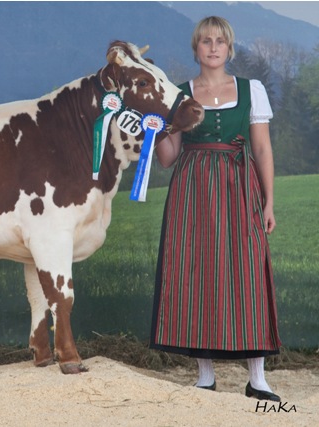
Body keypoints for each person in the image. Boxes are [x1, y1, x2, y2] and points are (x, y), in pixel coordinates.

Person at [150, 16, 282, 401]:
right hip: (193, 189)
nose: (213, 47)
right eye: (206, 41)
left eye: (220, 41)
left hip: (240, 184)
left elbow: (262, 149)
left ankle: (257, 379)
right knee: (196, 270)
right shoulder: (180, 95)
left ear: (229, 48)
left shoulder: (251, 89)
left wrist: (269, 201)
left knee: (249, 271)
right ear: (196, 48)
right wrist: (154, 127)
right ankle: (205, 376)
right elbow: (168, 158)